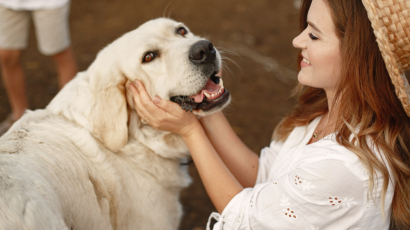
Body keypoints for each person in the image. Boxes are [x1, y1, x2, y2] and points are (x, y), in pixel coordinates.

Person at [129, 0, 410, 229]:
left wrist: (189, 131)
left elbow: (244, 218)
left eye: (313, 35)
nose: (297, 41)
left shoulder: (344, 167)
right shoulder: (324, 116)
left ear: (356, 55)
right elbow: (264, 176)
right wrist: (205, 103)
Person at [0, 0, 77, 135]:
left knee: (59, 52)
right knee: (7, 55)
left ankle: (70, 117)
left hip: (49, 3)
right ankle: (18, 116)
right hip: (8, 3)